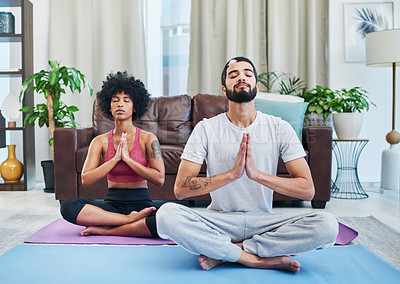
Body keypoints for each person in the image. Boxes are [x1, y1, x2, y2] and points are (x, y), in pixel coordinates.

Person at [156, 57, 338, 272]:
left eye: (247, 73)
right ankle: (254, 258)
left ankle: (231, 252)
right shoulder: (206, 129)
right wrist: (231, 175)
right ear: (224, 89)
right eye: (233, 75)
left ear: (256, 86)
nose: (241, 77)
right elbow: (180, 190)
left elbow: (307, 191)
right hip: (219, 221)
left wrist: (258, 175)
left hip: (264, 222)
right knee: (166, 215)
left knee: (327, 225)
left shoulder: (279, 127)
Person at [60, 71, 165, 238]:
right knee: (68, 206)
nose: (120, 105)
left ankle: (108, 228)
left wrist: (128, 160)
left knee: (165, 220)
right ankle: (129, 221)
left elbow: (159, 179)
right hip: (111, 206)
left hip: (141, 204)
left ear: (135, 105)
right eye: (115, 100)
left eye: (126, 100)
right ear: (109, 106)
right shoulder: (99, 141)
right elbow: (86, 180)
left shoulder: (148, 139)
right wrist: (115, 159)